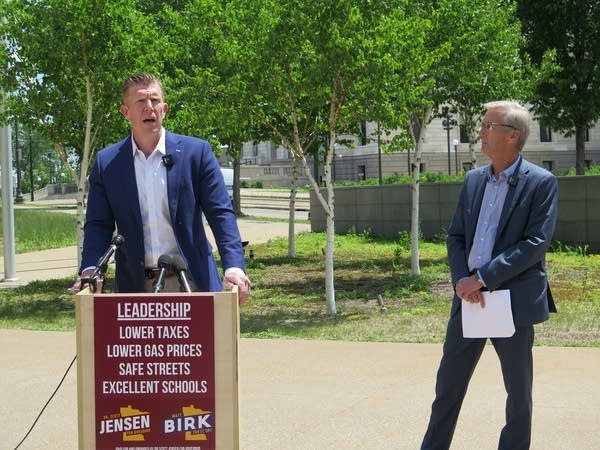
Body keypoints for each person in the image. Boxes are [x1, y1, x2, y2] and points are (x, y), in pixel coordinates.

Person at [420, 100, 558, 449]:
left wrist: (481, 278)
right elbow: (456, 236)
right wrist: (461, 282)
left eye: (487, 126)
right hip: (468, 299)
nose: (480, 132)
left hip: (511, 301)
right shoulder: (473, 180)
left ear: (512, 136)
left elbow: (535, 243)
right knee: (447, 387)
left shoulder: (541, 183)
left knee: (518, 394)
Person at [75, 72, 251, 303]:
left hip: (193, 281)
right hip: (135, 286)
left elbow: (221, 214)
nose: (149, 107)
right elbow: (98, 225)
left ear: (164, 109)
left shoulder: (197, 154)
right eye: (140, 101)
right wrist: (90, 269)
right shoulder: (107, 163)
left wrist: (234, 267)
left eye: (155, 100)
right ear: (125, 112)